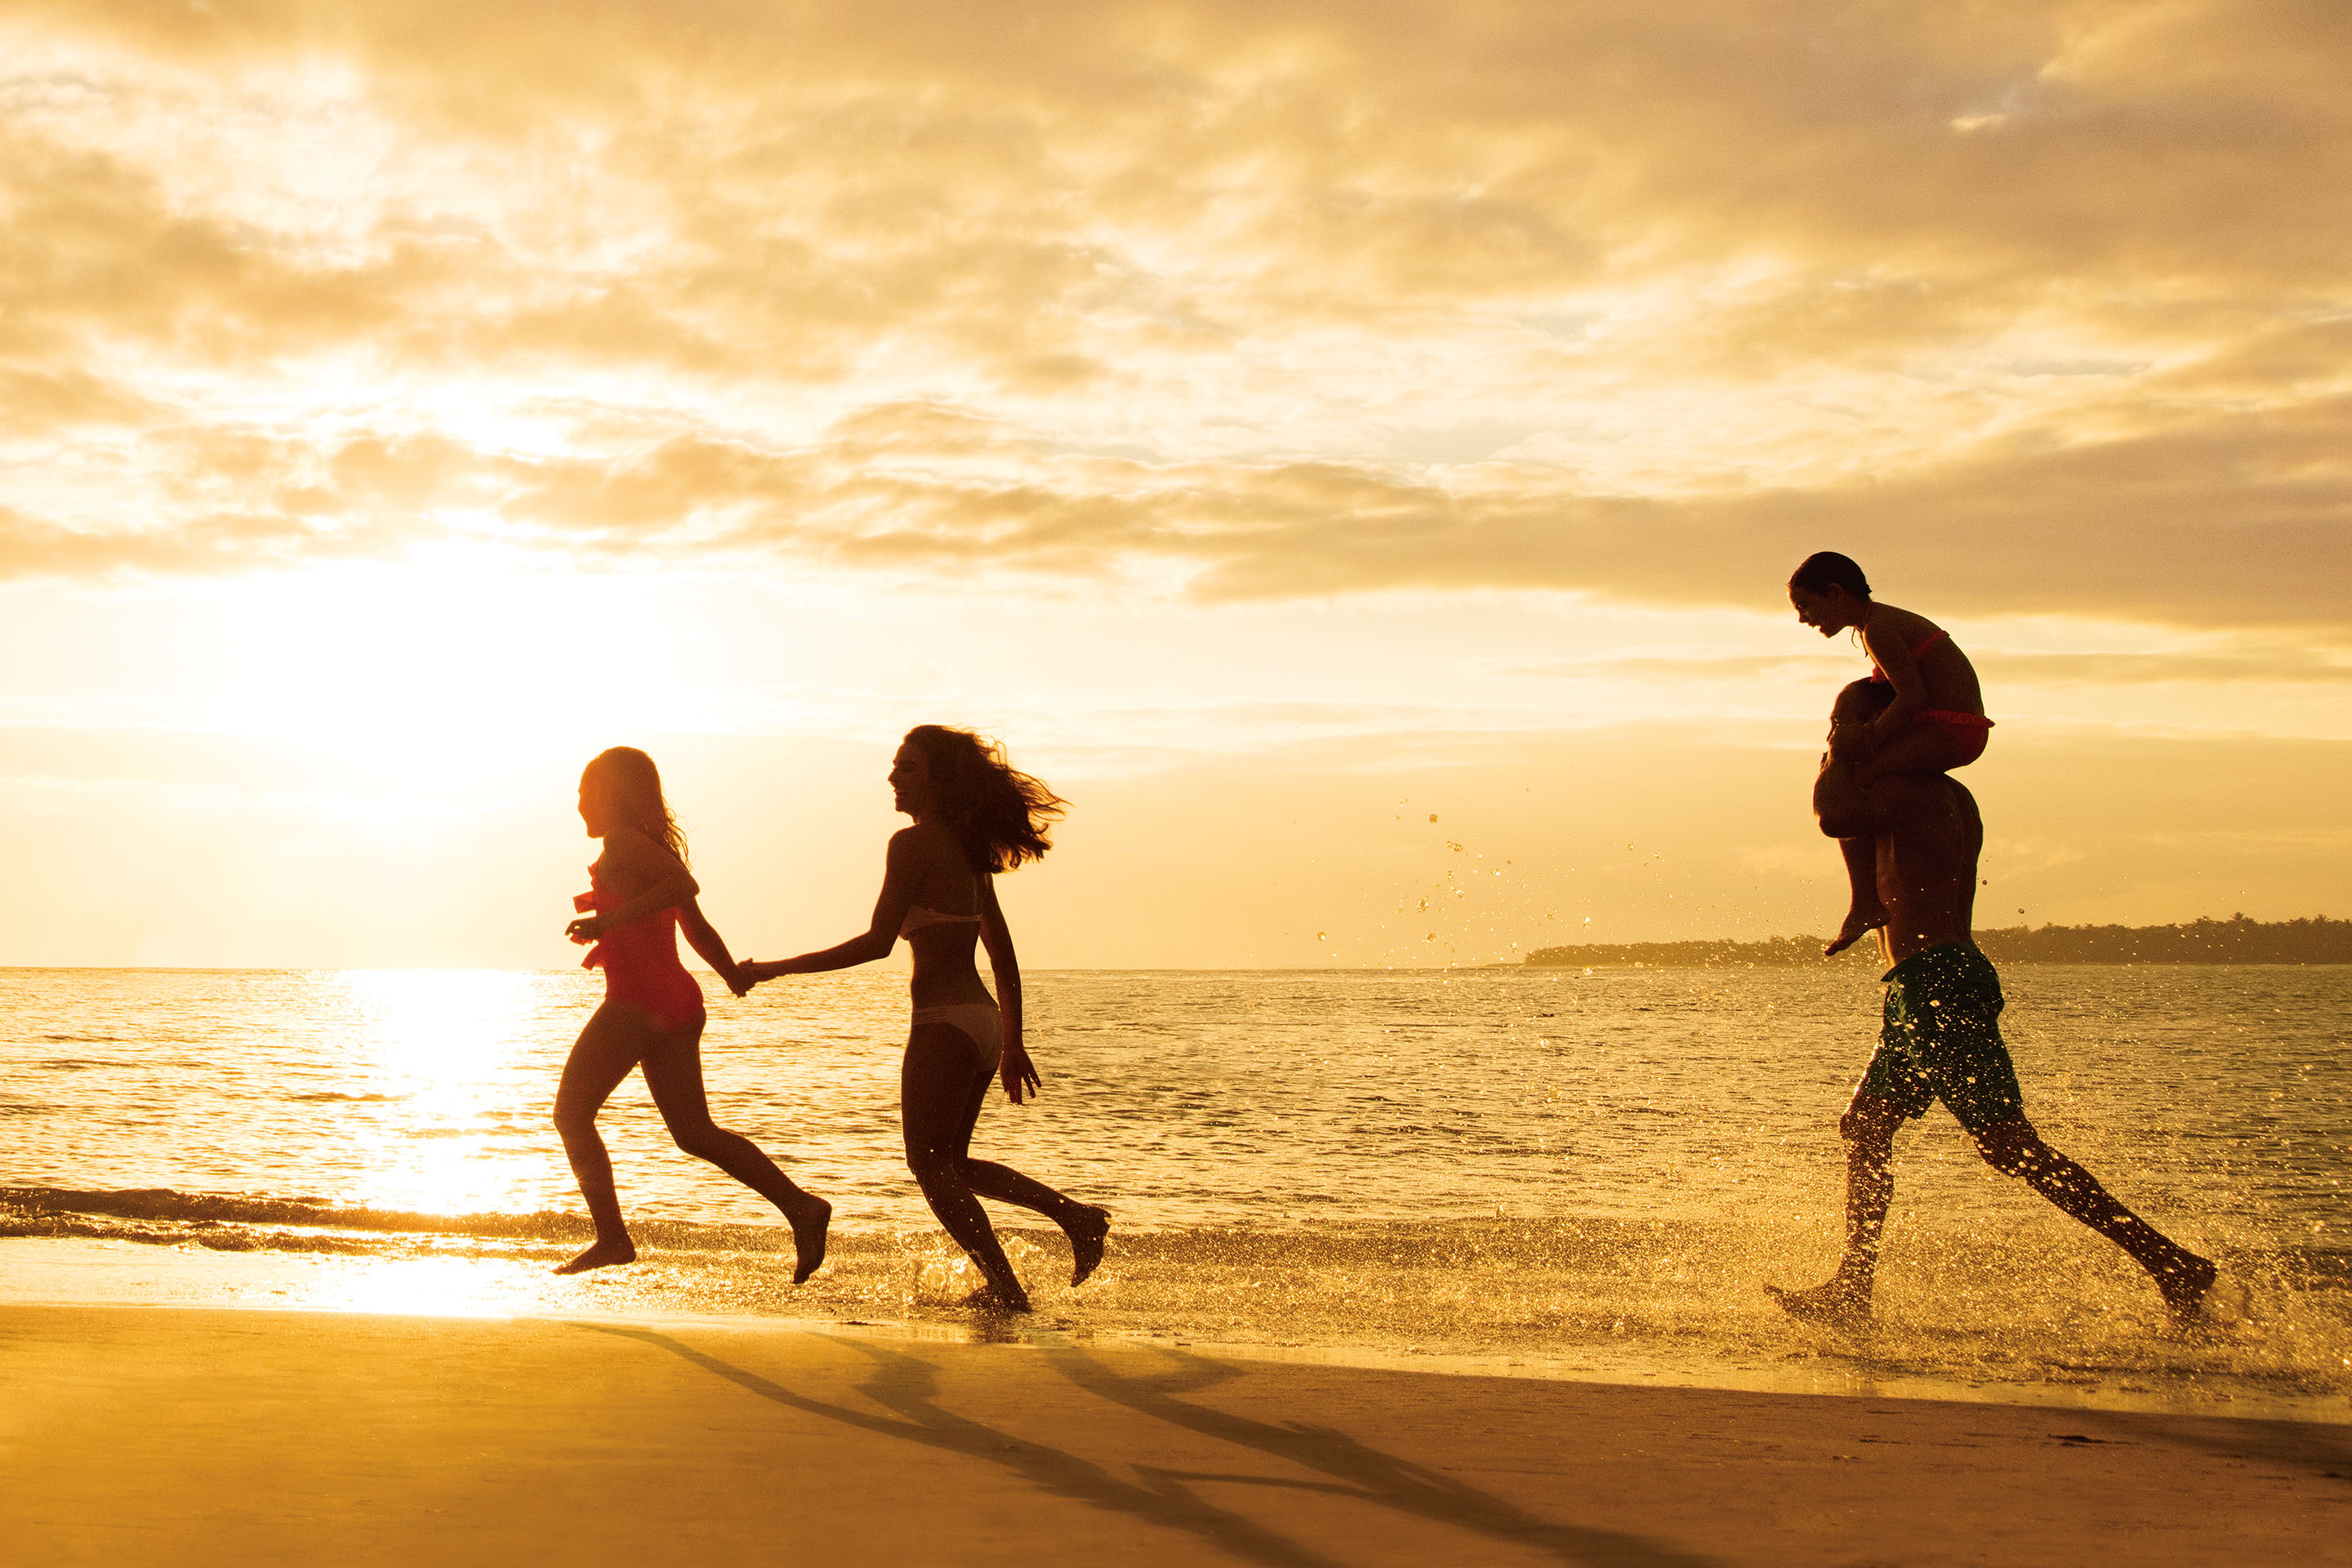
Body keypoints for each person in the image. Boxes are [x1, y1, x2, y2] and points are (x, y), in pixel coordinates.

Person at [1766, 681, 2214, 1327]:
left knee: (2009, 1147)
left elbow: (1834, 815)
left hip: (1940, 984)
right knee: (1866, 1127)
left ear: (1884, 728)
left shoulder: (1909, 792)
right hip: (1920, 985)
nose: (1836, 734)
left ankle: (2173, 1265)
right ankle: (1853, 1287)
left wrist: (1840, 746)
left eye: (1843, 723)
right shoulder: (1939, 793)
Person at [741, 725, 1108, 1314]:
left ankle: (1008, 1289)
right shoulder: (967, 852)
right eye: (895, 766)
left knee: (926, 1164)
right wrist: (1010, 1042)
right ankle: (1076, 1218)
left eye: (907, 768)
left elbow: (876, 943)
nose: (893, 777)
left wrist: (772, 970)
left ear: (936, 779)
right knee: (953, 1163)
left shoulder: (909, 846)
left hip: (943, 1021)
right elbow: (1003, 958)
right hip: (982, 1023)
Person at [553, 746, 831, 1281]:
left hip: (640, 1002)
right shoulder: (645, 849)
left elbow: (685, 890)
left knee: (571, 1114)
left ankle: (612, 1238)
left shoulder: (626, 844)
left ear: (612, 793)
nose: (580, 803)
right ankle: (801, 1207)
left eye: (586, 791)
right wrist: (728, 973)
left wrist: (608, 924)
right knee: (694, 1132)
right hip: (677, 1002)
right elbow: (694, 922)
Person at [1788, 551, 1995, 956]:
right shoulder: (1880, 624)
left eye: (1806, 606)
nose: (1804, 619)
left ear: (1835, 593)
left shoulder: (1878, 629)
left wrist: (1871, 736)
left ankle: (1864, 901)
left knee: (1859, 782)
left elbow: (1912, 696)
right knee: (1865, 776)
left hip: (1950, 729)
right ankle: (1866, 902)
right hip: (1951, 727)